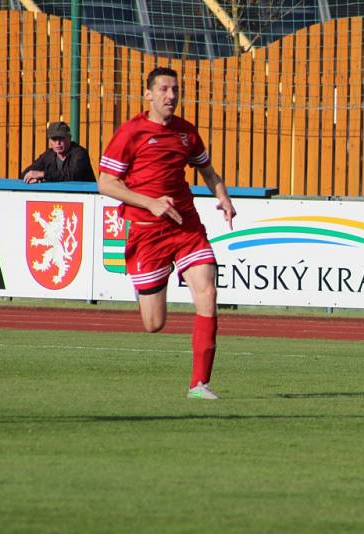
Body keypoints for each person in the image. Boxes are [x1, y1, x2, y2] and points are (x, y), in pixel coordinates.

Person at [97, 66, 236, 400]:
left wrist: (224, 197)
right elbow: (105, 183)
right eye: (163, 89)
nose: (171, 96)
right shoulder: (130, 133)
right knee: (154, 324)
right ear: (148, 94)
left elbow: (207, 169)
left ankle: (199, 385)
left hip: (186, 227)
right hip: (147, 234)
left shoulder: (186, 133)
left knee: (208, 292)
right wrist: (150, 203)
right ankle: (148, 285)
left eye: (175, 89)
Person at [20, 121, 96, 183]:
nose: (57, 143)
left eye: (61, 139)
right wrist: (32, 178)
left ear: (69, 138)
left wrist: (42, 174)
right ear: (49, 141)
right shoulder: (48, 155)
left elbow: (70, 175)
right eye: (54, 139)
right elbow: (27, 172)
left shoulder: (80, 154)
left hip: (85, 197)